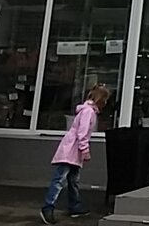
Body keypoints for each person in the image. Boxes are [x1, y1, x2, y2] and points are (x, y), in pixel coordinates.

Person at [40, 85, 110, 225]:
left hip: (72, 151)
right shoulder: (88, 112)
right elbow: (82, 133)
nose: (106, 102)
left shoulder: (87, 110)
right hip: (72, 150)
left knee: (71, 180)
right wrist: (85, 151)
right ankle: (48, 207)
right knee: (60, 180)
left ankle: (74, 205)